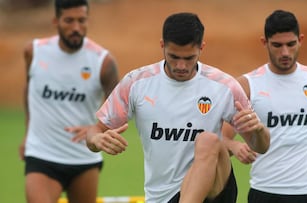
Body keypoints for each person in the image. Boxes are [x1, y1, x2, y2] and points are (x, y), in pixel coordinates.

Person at [86, 12, 270, 203]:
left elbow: (261, 146)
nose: (181, 65)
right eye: (173, 57)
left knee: (208, 141)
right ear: (162, 46)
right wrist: (97, 139)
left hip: (215, 190)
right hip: (162, 196)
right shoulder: (137, 83)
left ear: (201, 48)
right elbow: (94, 131)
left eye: (189, 58)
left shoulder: (224, 86)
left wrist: (258, 130)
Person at [223, 9, 307, 203]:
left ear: (301, 40)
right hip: (265, 192)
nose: (285, 52)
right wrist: (234, 145)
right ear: (264, 43)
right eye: (277, 45)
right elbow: (219, 136)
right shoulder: (247, 86)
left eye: (291, 44)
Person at [18, 0, 120, 203]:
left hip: (83, 157)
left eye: (81, 20)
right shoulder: (34, 51)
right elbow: (30, 90)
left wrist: (97, 128)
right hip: (41, 154)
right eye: (69, 20)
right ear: (56, 21)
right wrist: (28, 133)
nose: (76, 27)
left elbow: (119, 108)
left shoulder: (103, 62)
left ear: (88, 20)